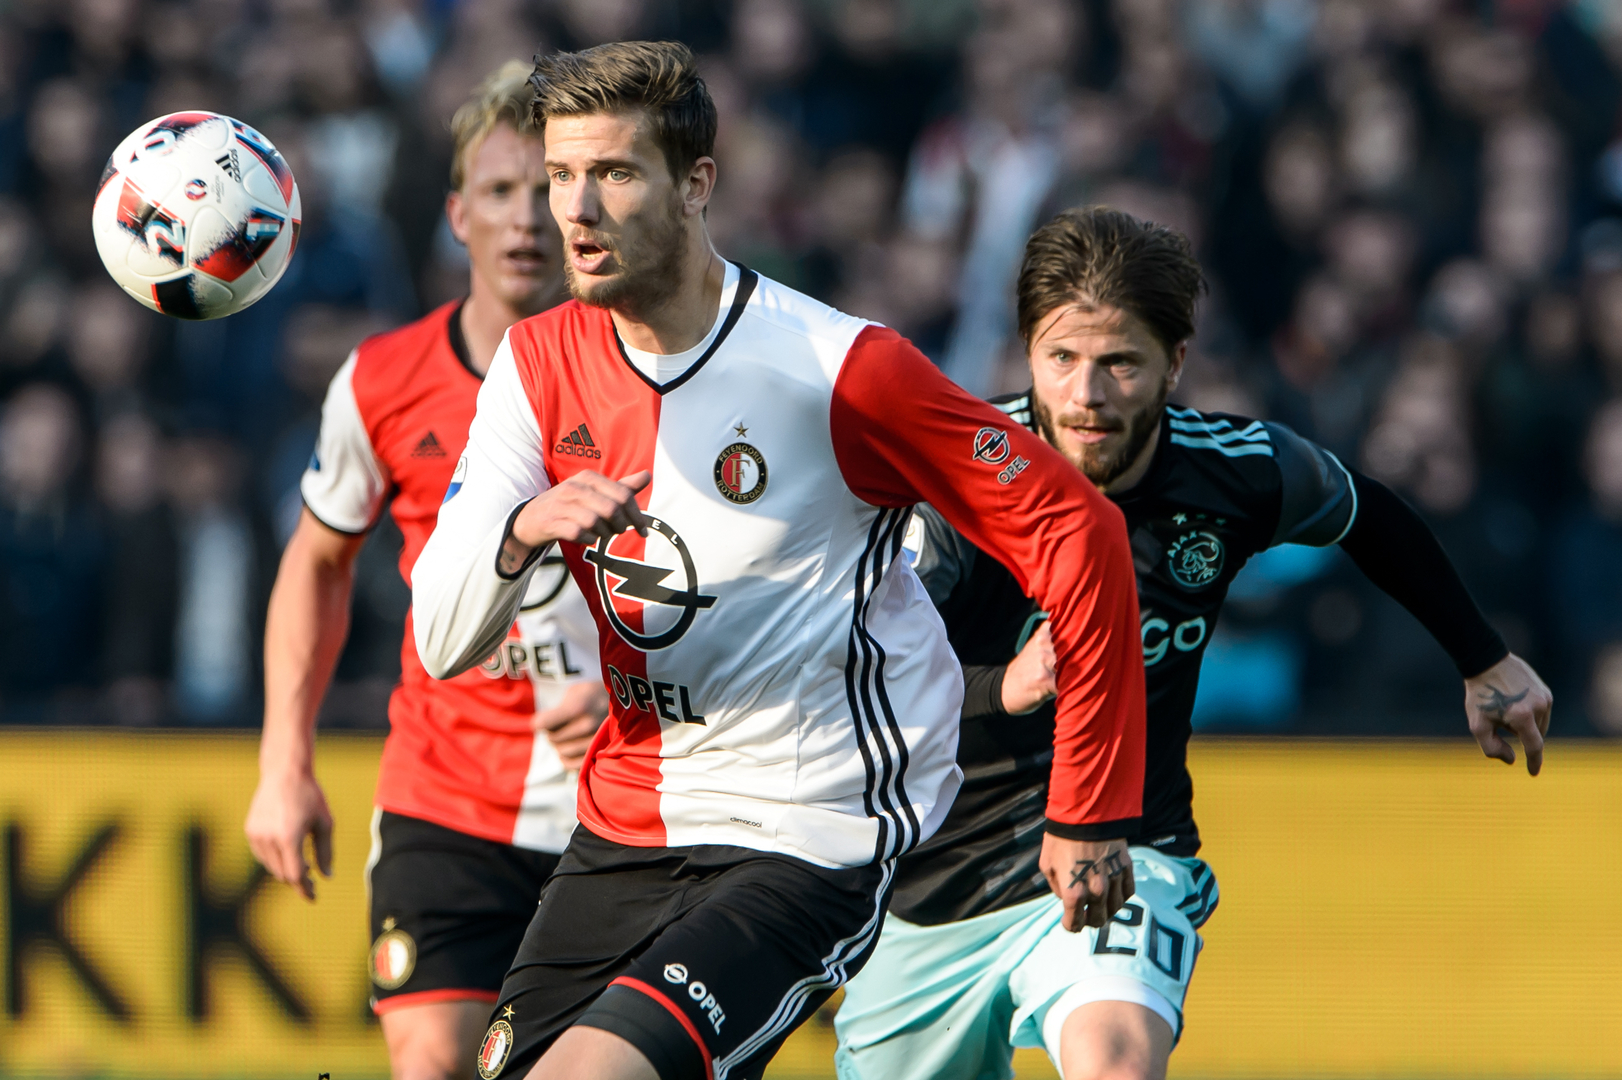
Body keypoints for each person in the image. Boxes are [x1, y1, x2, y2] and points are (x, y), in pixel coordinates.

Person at [410, 42, 1147, 1080]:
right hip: (626, 819)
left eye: (614, 173)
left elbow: (1078, 529)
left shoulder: (840, 369)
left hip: (809, 833)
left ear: (696, 184)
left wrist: (1089, 808)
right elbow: (439, 639)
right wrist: (522, 532)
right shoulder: (535, 366)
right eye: (559, 175)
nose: (573, 209)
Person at [833, 206, 1555, 1080]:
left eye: (1119, 363)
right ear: (1027, 353)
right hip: (933, 888)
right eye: (1060, 360)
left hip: (1129, 852)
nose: (1085, 397)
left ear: (1175, 363)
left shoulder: (1234, 472)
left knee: (1116, 1065)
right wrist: (1002, 689)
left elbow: (1372, 518)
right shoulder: (960, 486)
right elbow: (862, 681)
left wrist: (1483, 657)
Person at [244, 62, 605, 1080]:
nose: (528, 217)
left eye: (550, 189)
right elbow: (315, 561)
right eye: (500, 191)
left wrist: (637, 701)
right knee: (433, 1061)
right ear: (456, 214)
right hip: (446, 797)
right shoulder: (383, 381)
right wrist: (284, 761)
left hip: (617, 802)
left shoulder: (646, 376)